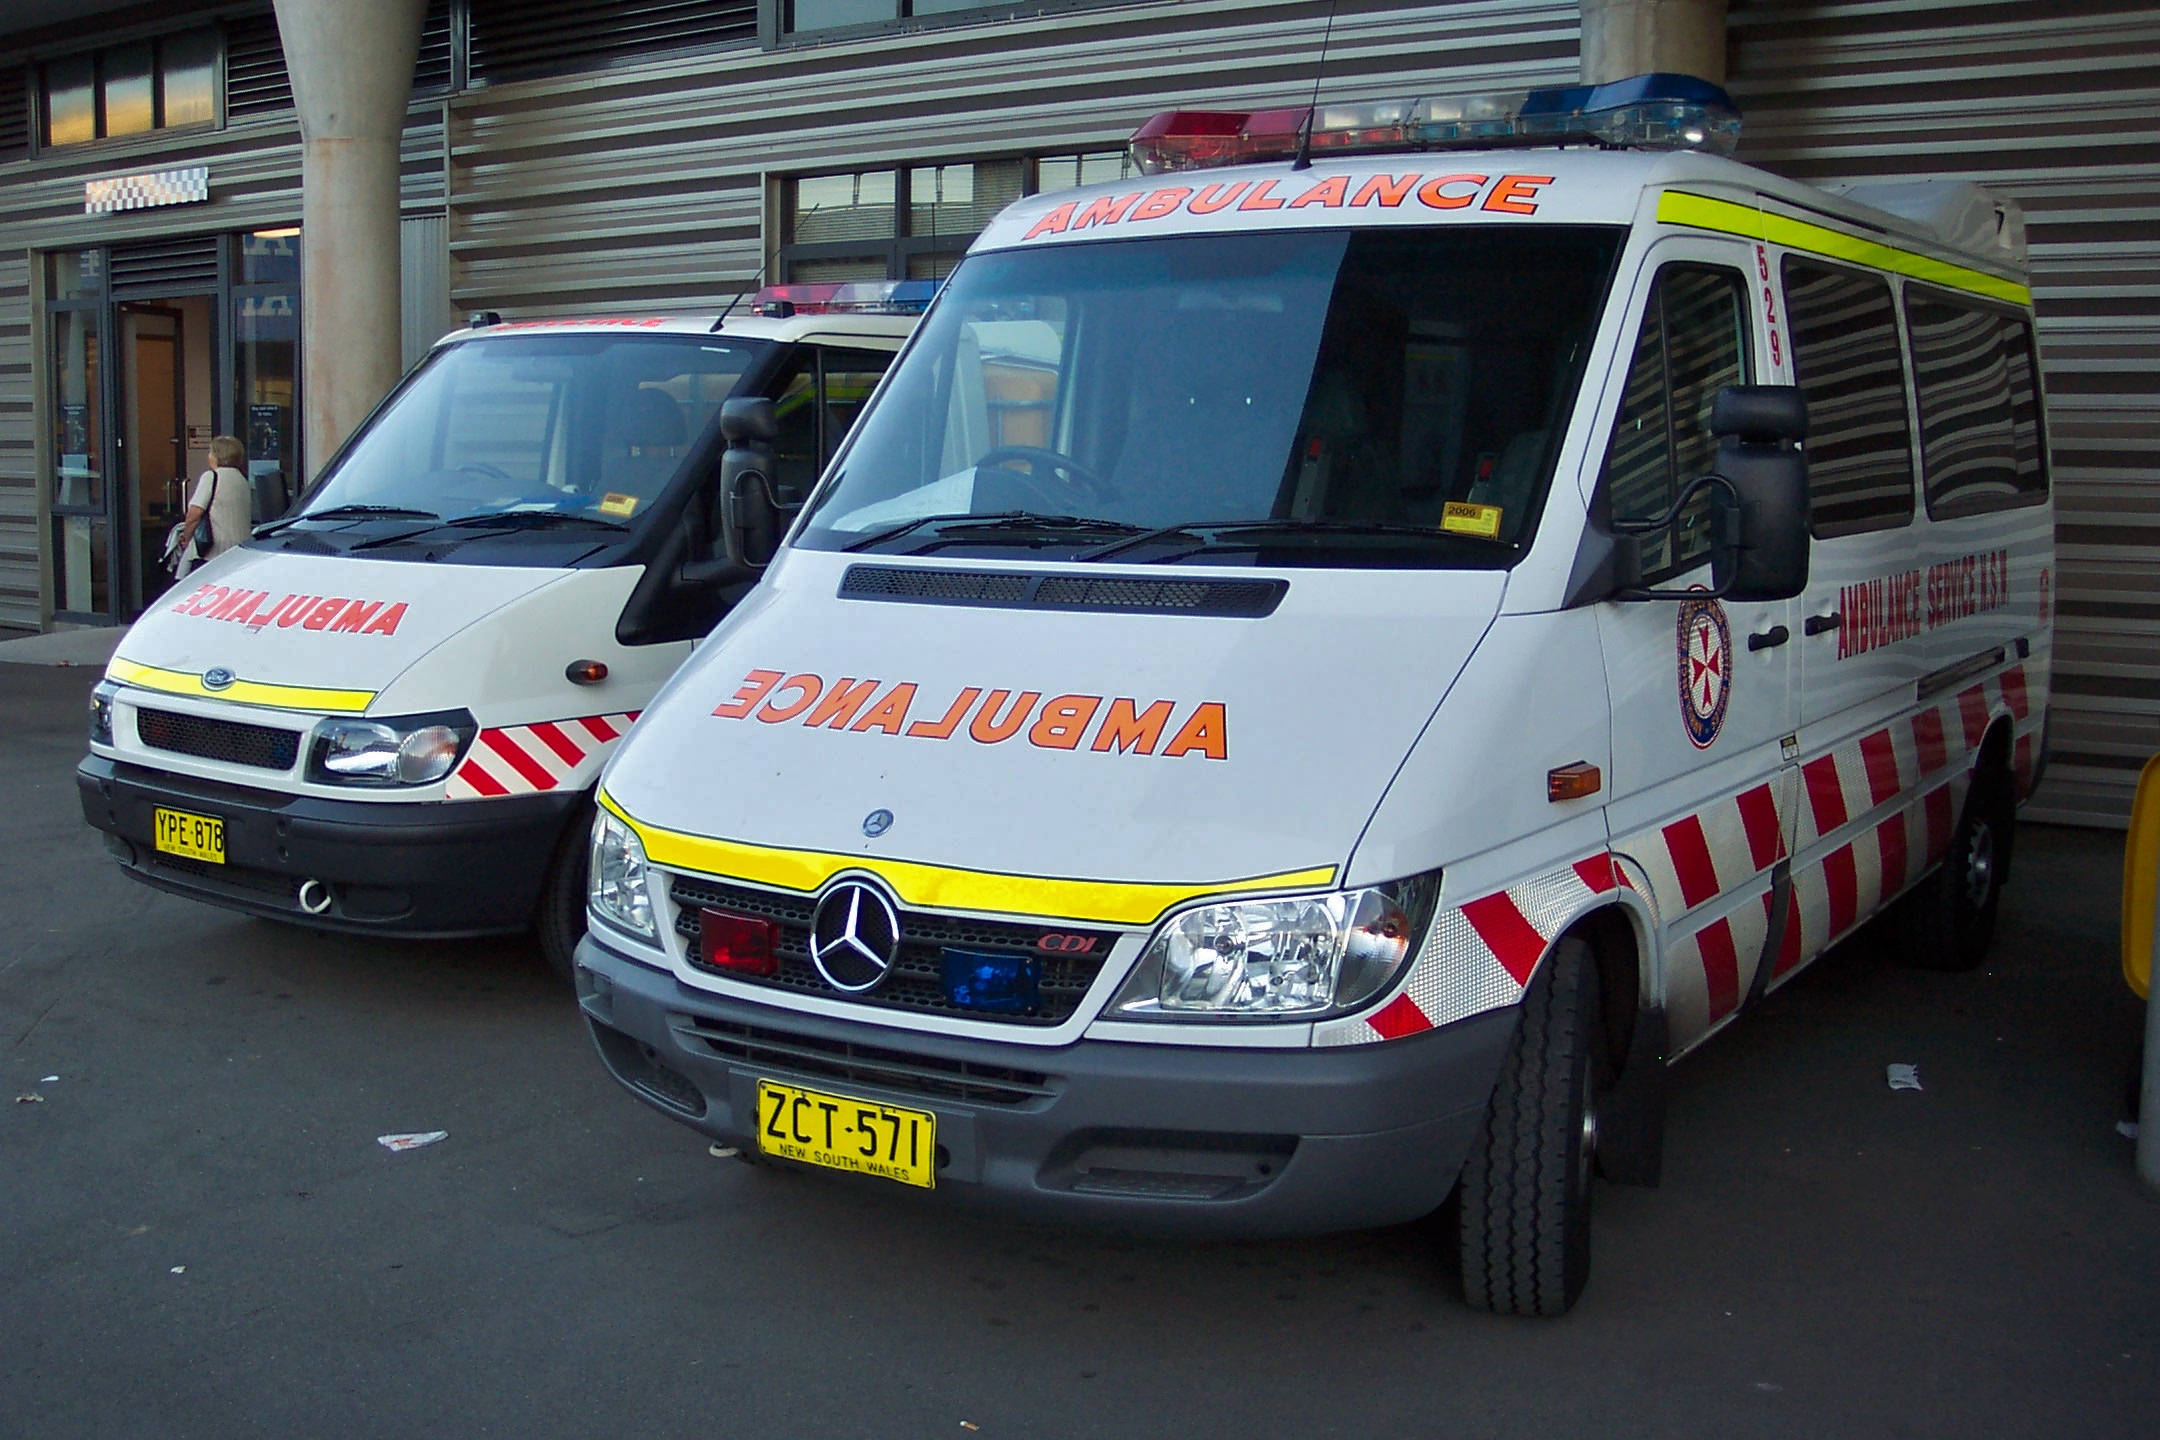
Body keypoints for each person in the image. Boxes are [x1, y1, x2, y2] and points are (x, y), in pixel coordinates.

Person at [173, 435, 252, 567]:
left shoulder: (212, 476)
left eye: (210, 452)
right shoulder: (242, 479)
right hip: (239, 550)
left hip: (214, 552)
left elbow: (194, 514)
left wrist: (186, 537)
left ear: (216, 456)